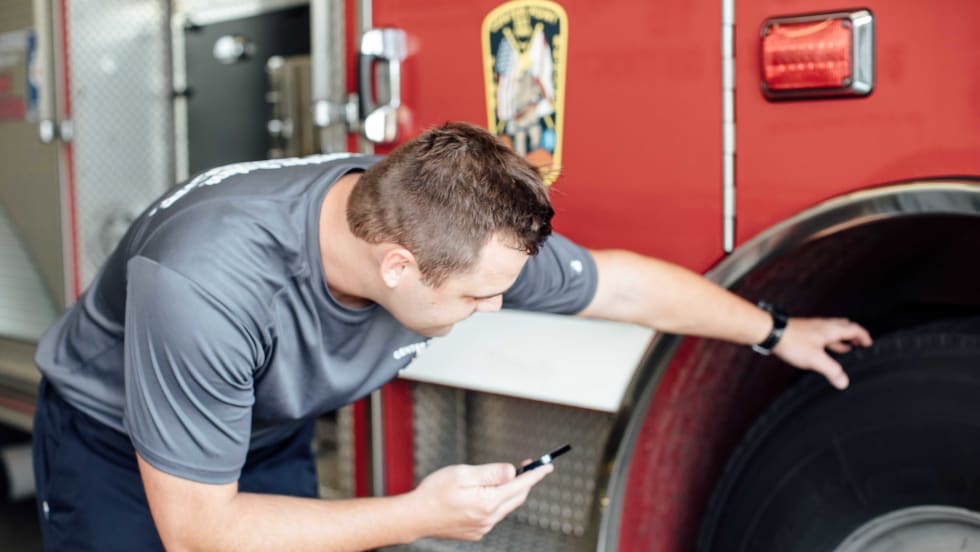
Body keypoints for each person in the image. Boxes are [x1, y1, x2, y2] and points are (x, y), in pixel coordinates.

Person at [32, 122, 871, 551]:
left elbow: (621, 284)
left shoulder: (450, 224)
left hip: (261, 426)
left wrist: (776, 331)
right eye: (479, 297)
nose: (498, 309)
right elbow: (201, 532)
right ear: (396, 267)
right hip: (116, 443)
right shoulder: (207, 289)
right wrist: (415, 515)